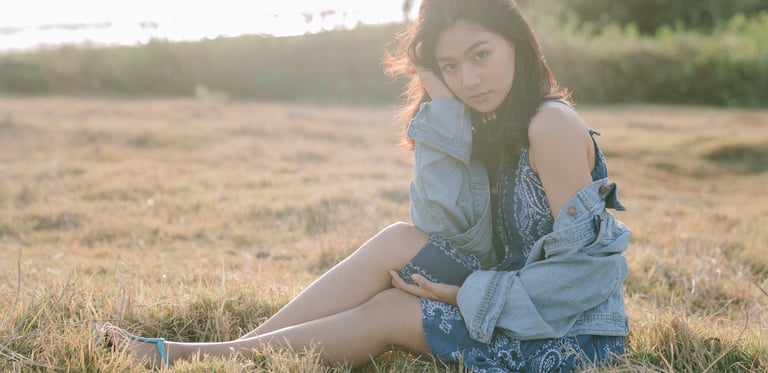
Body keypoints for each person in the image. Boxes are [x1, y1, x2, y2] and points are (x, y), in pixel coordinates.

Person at [97, 0, 632, 371]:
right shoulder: (493, 122)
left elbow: (584, 278)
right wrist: (442, 106)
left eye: (480, 55)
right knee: (400, 239)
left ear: (515, 43)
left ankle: (198, 359)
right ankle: (238, 349)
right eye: (450, 66)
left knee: (390, 314)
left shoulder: (550, 126)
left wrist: (465, 293)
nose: (468, 79)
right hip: (514, 296)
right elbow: (445, 231)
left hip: (570, 334)